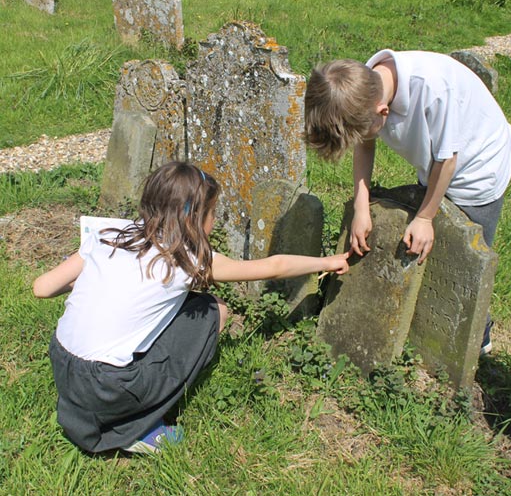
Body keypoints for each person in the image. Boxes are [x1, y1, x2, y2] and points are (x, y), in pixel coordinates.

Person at [33, 161, 349, 455]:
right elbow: (274, 266)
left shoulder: (110, 234)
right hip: (107, 386)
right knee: (214, 310)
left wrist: (97, 284)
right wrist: (328, 262)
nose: (215, 220)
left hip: (63, 366)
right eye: (213, 213)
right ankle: (134, 429)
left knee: (183, 306)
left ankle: (106, 413)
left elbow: (42, 288)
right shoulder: (186, 261)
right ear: (193, 217)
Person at [304, 51, 511, 355]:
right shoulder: (361, 85)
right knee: (424, 245)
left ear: (383, 112)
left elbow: (447, 161)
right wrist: (361, 207)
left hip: (478, 169)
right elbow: (366, 143)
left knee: (464, 265)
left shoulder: (433, 92)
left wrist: (427, 217)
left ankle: (478, 340)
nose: (362, 139)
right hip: (436, 162)